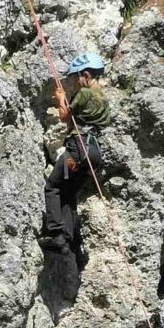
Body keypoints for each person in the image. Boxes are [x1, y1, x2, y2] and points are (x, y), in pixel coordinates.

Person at [39, 49, 112, 269]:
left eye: (76, 78)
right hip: (94, 152)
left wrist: (61, 99)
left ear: (87, 75)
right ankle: (65, 241)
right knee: (69, 192)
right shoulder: (103, 98)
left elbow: (64, 116)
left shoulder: (86, 93)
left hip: (78, 148)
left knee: (52, 186)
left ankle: (56, 233)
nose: (75, 83)